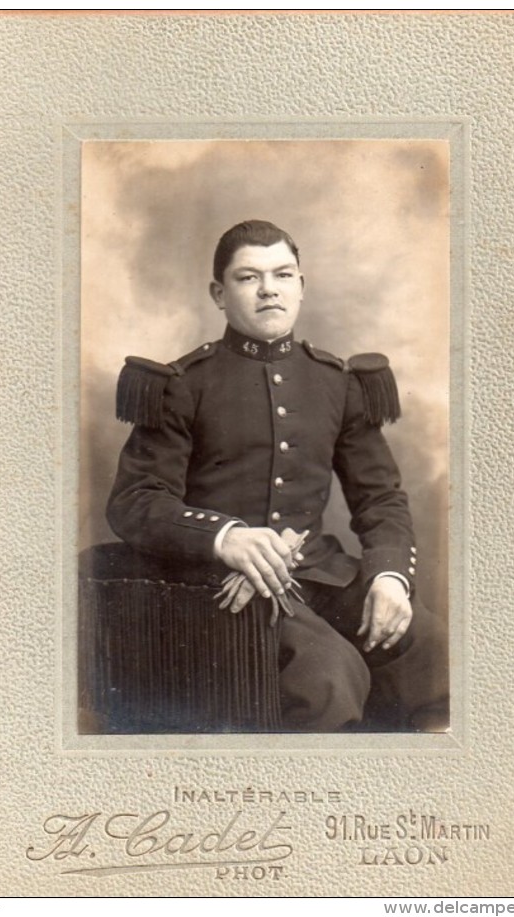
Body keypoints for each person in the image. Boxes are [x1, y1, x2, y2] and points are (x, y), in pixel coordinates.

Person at [106, 220, 448, 732]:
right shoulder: (180, 386)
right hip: (221, 583)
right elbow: (135, 501)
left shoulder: (338, 383)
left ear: (301, 286)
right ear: (219, 294)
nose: (269, 289)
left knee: (433, 648)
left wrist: (390, 575)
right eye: (248, 278)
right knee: (328, 674)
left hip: (317, 572)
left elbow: (380, 499)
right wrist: (225, 538)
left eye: (282, 274)